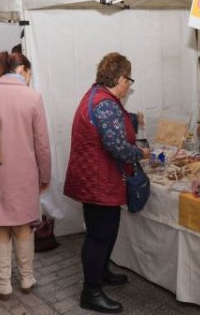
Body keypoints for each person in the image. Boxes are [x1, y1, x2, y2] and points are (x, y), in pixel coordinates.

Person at [64, 52, 150, 314]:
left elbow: (111, 125)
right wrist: (141, 154)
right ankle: (90, 292)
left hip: (95, 177)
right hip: (98, 180)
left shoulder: (98, 96)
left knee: (107, 231)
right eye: (129, 80)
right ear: (121, 78)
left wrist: (133, 119)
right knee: (98, 236)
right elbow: (116, 145)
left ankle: (102, 273)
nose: (129, 87)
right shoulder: (106, 104)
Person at [0, 51, 51, 300]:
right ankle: (26, 278)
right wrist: (45, 174)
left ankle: (3, 283)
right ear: (23, 70)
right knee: (23, 224)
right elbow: (42, 144)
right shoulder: (33, 97)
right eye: (29, 73)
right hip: (24, 173)